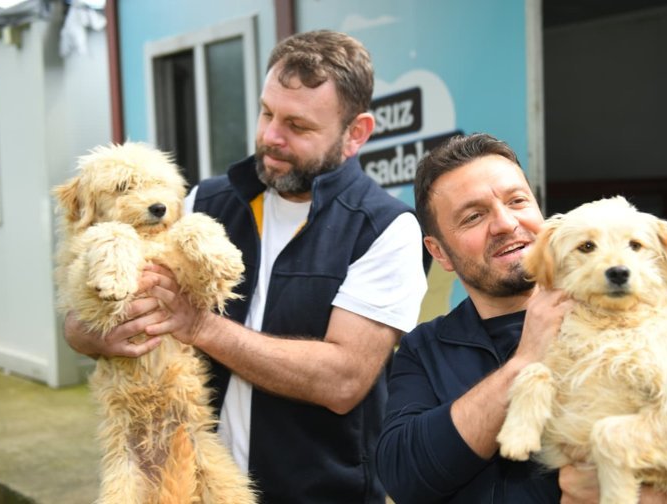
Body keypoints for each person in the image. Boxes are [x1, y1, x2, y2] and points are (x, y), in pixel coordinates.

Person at [65, 30, 428, 503]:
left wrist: (199, 326)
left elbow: (342, 379)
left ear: (355, 134)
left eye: (297, 126)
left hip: (318, 493)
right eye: (266, 112)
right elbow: (94, 310)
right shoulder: (203, 201)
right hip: (191, 483)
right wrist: (87, 332)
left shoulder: (386, 229)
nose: (270, 137)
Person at [375, 133, 667, 503]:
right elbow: (406, 477)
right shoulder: (424, 349)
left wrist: (654, 500)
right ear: (440, 252)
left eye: (517, 201)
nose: (505, 223)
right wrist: (525, 362)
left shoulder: (640, 312)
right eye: (474, 216)